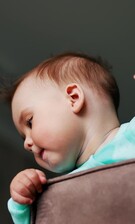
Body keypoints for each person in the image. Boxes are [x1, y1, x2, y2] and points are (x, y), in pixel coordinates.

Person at [2, 52, 134, 224]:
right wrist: (22, 201)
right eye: (23, 137)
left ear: (74, 98)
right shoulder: (54, 192)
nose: (27, 144)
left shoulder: (131, 136)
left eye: (30, 122)